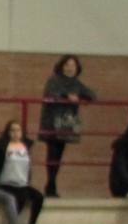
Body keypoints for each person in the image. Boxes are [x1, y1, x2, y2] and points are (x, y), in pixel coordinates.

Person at [39, 55, 96, 198]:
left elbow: (92, 95)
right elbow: (50, 94)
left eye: (73, 65)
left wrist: (80, 98)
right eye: (67, 65)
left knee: (58, 155)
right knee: (52, 154)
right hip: (53, 121)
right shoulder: (54, 80)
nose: (70, 68)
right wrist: (67, 96)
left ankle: (51, 184)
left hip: (67, 123)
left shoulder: (77, 83)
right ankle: (50, 185)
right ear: (61, 66)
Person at [0, 124, 46, 224]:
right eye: (13, 130)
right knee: (21, 197)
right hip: (6, 182)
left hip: (22, 183)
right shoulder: (0, 146)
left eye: (18, 130)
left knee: (39, 197)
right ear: (8, 132)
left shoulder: (25, 146)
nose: (15, 133)